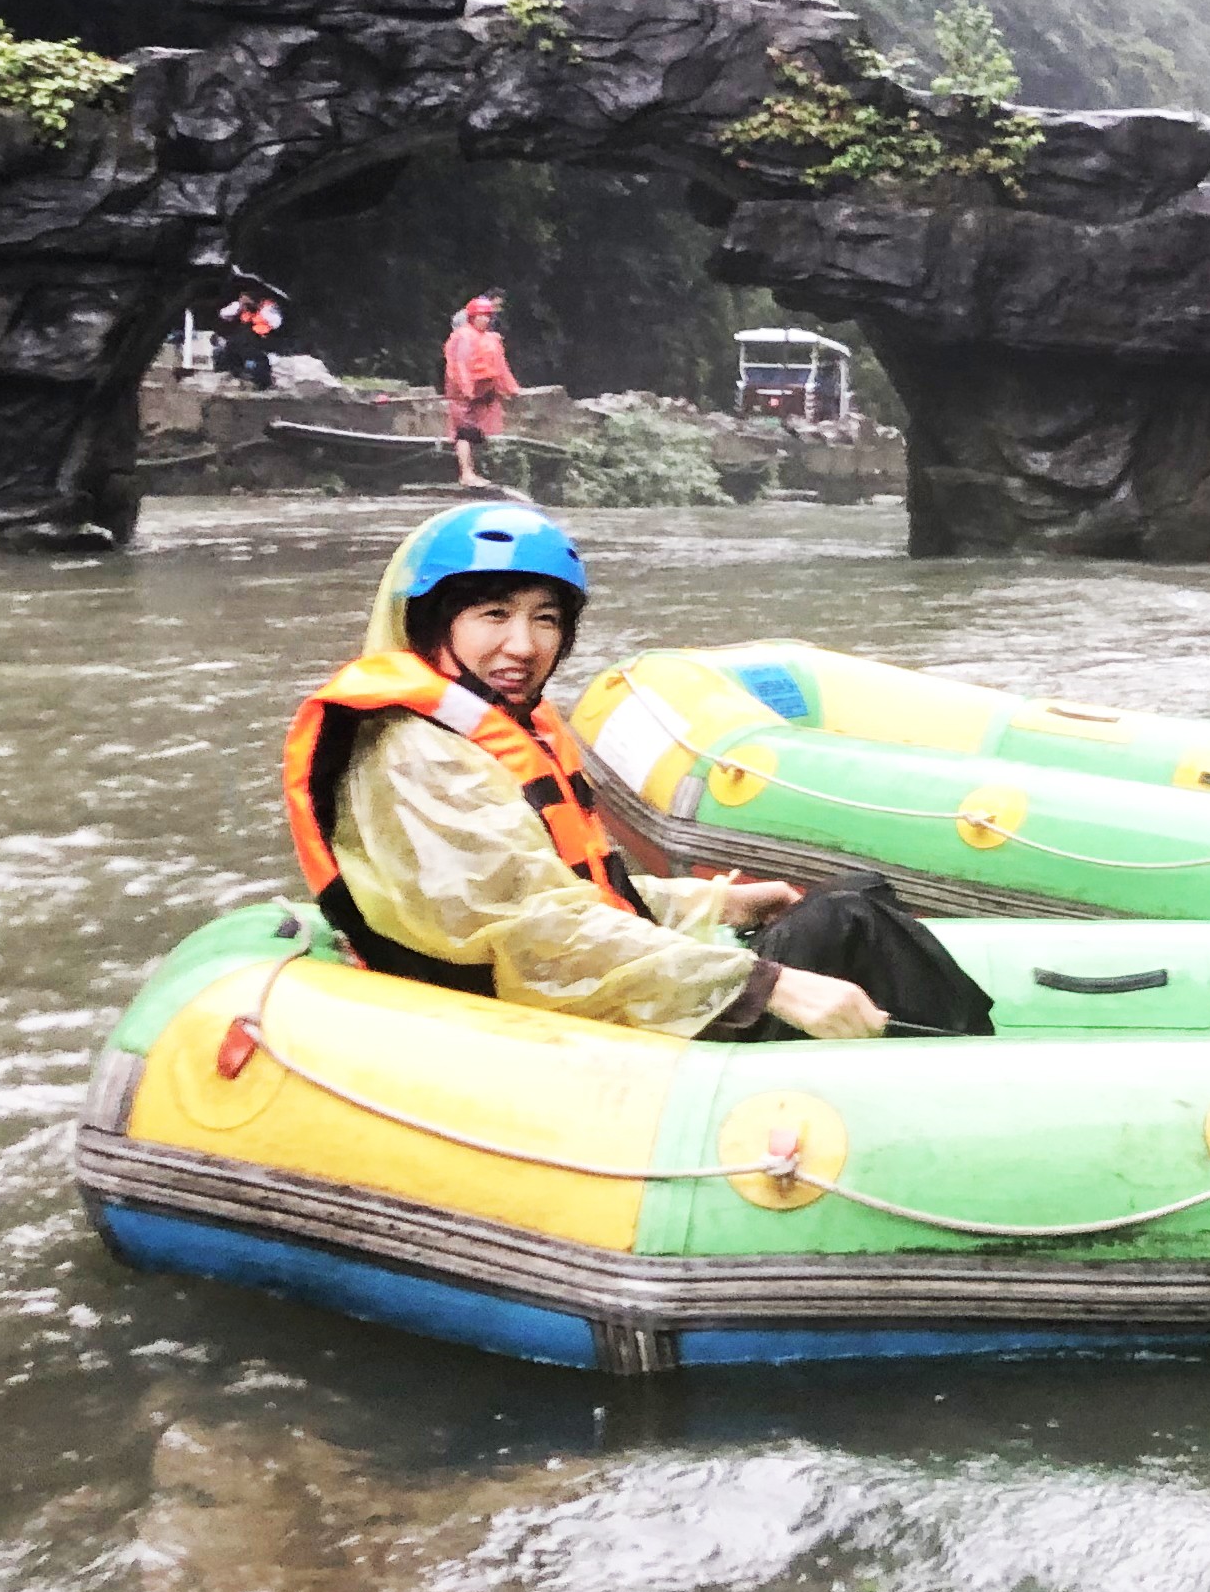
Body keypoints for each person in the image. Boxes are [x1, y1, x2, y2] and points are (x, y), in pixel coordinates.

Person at [281, 503, 989, 1039]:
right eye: (493, 614)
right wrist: (768, 985)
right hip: (515, 1033)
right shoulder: (415, 751)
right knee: (848, 923)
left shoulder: (482, 727)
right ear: (434, 621)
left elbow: (563, 890)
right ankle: (987, 1091)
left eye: (546, 619)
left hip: (558, 991)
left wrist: (717, 906)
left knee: (851, 895)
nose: (522, 645)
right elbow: (531, 939)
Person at [443, 290, 522, 487]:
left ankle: (475, 472)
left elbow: (500, 367)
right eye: (480, 316)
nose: (484, 320)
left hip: (485, 395)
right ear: (471, 317)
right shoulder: (463, 337)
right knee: (464, 433)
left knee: (478, 434)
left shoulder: (491, 339)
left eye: (487, 316)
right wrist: (466, 389)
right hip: (465, 396)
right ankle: (466, 473)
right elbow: (458, 365)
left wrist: (511, 387)